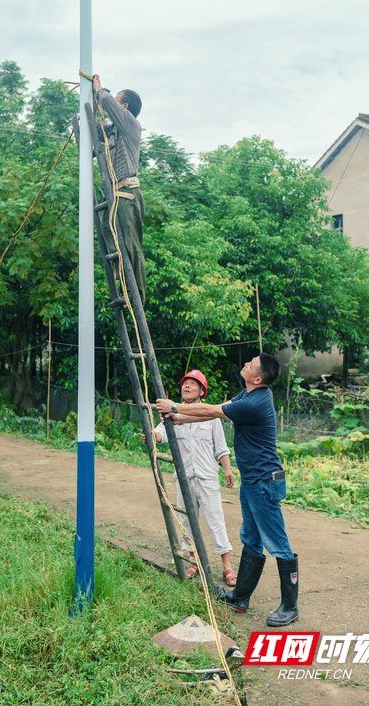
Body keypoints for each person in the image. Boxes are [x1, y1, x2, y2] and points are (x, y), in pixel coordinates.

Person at [156, 353, 299, 627]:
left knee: (277, 542)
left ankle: (290, 606)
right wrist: (178, 419)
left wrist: (174, 407)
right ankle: (240, 597)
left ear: (257, 378)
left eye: (250, 364)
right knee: (252, 538)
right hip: (254, 480)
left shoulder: (256, 403)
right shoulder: (246, 395)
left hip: (265, 481)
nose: (245, 364)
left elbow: (211, 411)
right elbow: (214, 410)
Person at [152, 369, 237, 585]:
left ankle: (227, 567)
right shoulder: (171, 415)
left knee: (215, 520)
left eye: (193, 383)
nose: (187, 386)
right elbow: (159, 433)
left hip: (207, 477)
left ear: (202, 391)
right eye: (185, 383)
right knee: (187, 520)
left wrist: (227, 469)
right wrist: (150, 434)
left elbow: (221, 447)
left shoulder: (210, 417)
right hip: (184, 477)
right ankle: (194, 562)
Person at [92, 74, 146, 304]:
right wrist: (93, 107)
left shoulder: (130, 124)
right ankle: (123, 287)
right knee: (109, 234)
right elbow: (92, 129)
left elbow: (107, 102)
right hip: (114, 194)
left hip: (127, 194)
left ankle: (137, 295)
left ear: (123, 106)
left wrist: (99, 91)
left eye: (116, 101)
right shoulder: (112, 131)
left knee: (131, 243)